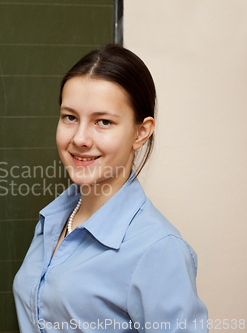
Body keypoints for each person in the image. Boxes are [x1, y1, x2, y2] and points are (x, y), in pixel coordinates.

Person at [11, 44, 208, 332]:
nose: (80, 138)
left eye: (103, 122)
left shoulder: (157, 250)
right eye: (70, 117)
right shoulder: (54, 219)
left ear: (141, 132)